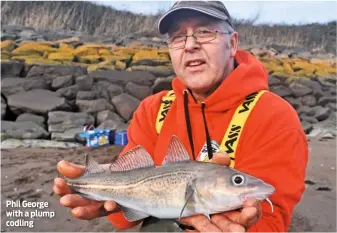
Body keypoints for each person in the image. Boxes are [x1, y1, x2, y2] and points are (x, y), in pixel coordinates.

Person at [53, 1, 308, 232]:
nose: (190, 45)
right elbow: (122, 217)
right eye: (177, 37)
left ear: (232, 44)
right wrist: (110, 188)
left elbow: (271, 218)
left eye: (205, 32)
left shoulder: (275, 117)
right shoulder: (153, 109)